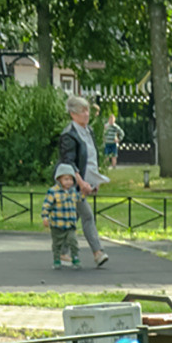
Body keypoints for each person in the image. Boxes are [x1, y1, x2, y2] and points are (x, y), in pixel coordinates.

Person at [57, 94, 110, 267]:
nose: (87, 114)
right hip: (71, 183)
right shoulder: (68, 135)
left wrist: (94, 182)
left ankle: (62, 252)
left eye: (87, 110)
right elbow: (69, 162)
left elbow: (91, 158)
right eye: (82, 111)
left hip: (85, 181)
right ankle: (98, 252)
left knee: (75, 217)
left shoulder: (89, 131)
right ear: (73, 114)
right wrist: (81, 183)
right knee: (87, 216)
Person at [41, 163, 82, 268]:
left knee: (73, 241)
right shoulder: (53, 192)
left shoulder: (72, 191)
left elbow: (79, 198)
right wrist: (45, 217)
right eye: (66, 179)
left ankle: (75, 258)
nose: (69, 182)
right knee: (57, 243)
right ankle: (56, 260)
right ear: (59, 179)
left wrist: (87, 192)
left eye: (71, 179)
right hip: (57, 223)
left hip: (70, 223)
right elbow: (46, 206)